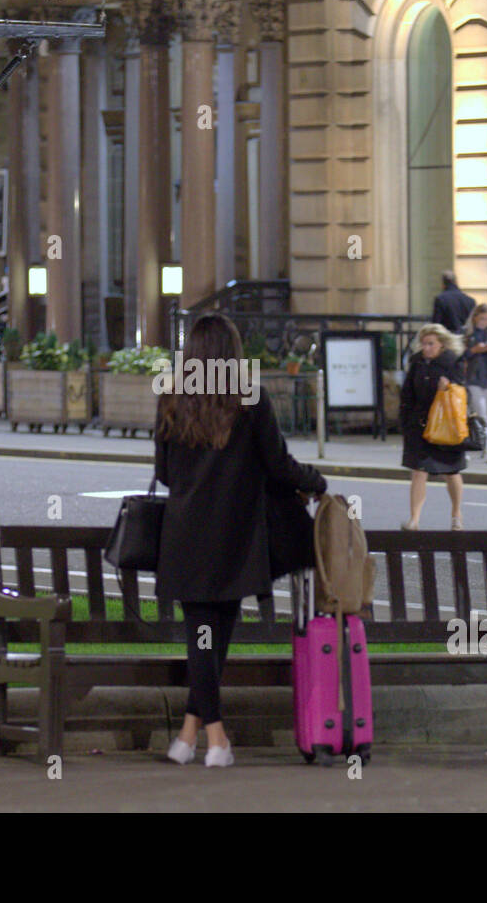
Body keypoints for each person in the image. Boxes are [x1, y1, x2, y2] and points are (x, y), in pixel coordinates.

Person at [155, 313, 326, 768]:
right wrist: (317, 480)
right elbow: (279, 466)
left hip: (185, 535)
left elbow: (164, 474)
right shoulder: (250, 400)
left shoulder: (171, 398)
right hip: (234, 537)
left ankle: (188, 738)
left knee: (205, 637)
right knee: (211, 638)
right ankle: (215, 739)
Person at [399, 323, 466, 531]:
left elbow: (463, 394)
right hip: (419, 425)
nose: (426, 348)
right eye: (424, 343)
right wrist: (405, 421)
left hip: (446, 426)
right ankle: (414, 519)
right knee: (419, 471)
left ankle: (456, 514)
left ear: (442, 345)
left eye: (431, 344)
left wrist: (447, 389)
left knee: (451, 472)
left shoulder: (451, 363)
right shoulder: (417, 363)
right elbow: (407, 394)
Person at [462, 303, 487, 463]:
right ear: (475, 317)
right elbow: (459, 355)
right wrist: (473, 351)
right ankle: (486, 449)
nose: (484, 322)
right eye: (482, 318)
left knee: (484, 415)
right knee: (481, 413)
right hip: (471, 379)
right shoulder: (466, 333)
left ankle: (471, 447)